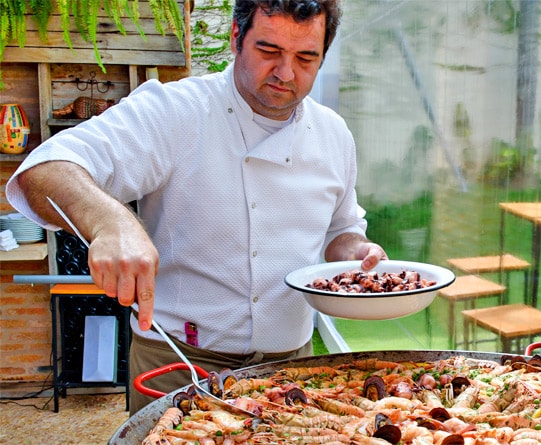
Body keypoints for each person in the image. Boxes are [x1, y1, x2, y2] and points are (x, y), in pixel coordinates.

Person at [5, 0, 386, 415]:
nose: (285, 73)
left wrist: (357, 254)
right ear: (236, 38)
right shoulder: (174, 111)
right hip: (179, 365)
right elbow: (42, 170)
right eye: (268, 51)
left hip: (290, 368)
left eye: (305, 57)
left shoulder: (334, 134)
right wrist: (110, 221)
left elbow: (341, 230)